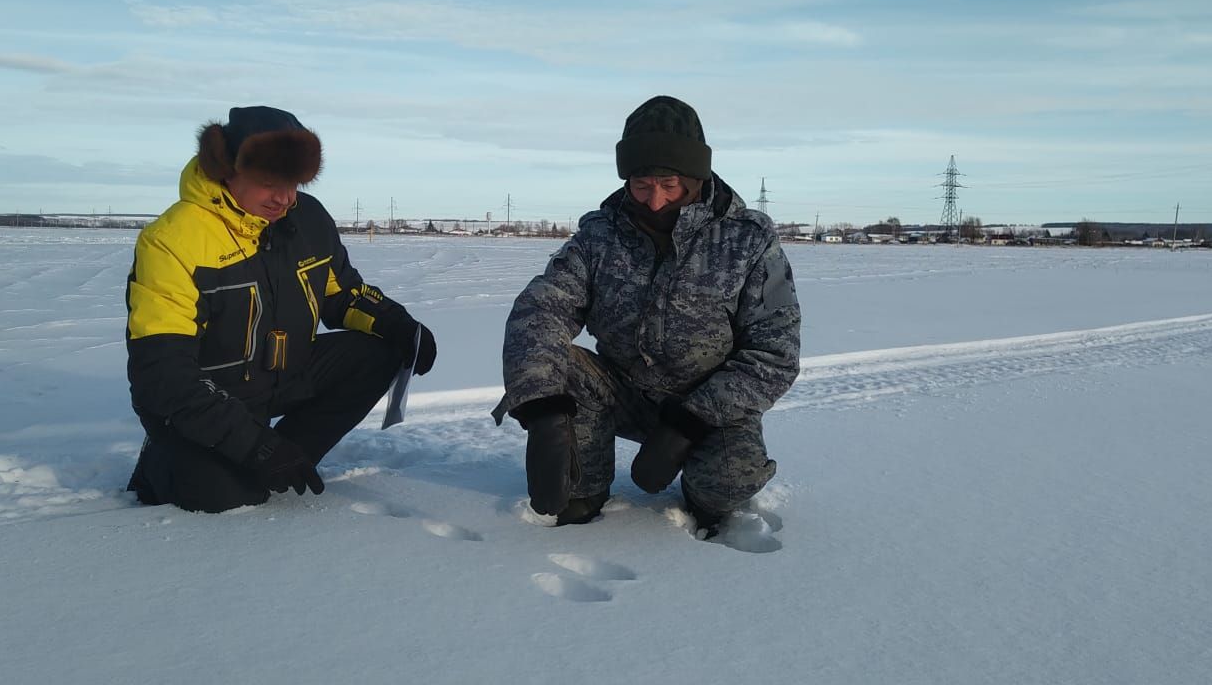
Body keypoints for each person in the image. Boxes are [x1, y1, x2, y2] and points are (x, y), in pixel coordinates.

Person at [493, 95, 801, 536]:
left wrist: (687, 423)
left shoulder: (747, 242)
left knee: (730, 482)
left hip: (707, 405)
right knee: (560, 366)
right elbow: (541, 309)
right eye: (641, 185)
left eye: (669, 184)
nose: (654, 200)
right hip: (622, 391)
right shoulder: (598, 236)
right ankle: (583, 491)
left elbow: (774, 354)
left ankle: (701, 494)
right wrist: (540, 410)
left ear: (696, 177)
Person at [125, 106, 436, 513]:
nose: (285, 199)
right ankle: (166, 463)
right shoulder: (172, 240)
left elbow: (342, 294)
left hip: (283, 377)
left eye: (293, 184)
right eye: (269, 183)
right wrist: (255, 445)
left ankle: (289, 455)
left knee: (378, 352)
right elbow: (162, 374)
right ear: (225, 169)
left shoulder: (307, 219)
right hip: (205, 399)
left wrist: (401, 326)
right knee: (231, 497)